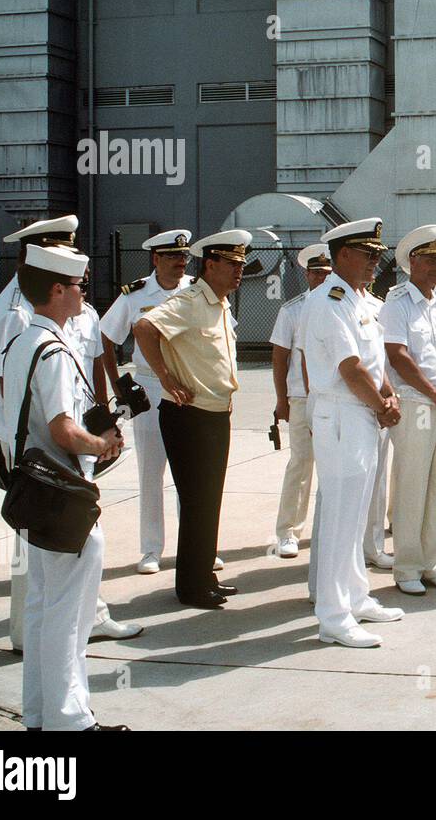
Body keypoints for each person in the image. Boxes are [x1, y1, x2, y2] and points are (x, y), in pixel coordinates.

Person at [0, 215, 140, 649]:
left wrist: (100, 427)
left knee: (63, 555)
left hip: (64, 446)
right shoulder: (15, 314)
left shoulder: (69, 312)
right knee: (40, 554)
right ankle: (29, 636)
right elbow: (14, 391)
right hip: (37, 450)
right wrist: (78, 442)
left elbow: (81, 379)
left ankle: (85, 617)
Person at [1, 244, 128, 730]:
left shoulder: (19, 342)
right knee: (69, 617)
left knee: (42, 608)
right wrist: (101, 444)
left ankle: (40, 713)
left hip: (35, 494)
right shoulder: (52, 350)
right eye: (79, 285)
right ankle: (71, 721)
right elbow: (62, 429)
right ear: (58, 289)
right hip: (65, 496)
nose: (83, 292)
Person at [301, 219, 406, 646]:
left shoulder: (361, 300)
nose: (375, 263)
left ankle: (356, 595)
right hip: (342, 415)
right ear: (343, 254)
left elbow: (374, 363)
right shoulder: (329, 300)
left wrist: (390, 396)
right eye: (368, 255)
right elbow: (349, 368)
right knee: (341, 517)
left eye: (378, 255)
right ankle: (332, 616)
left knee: (359, 514)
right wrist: (382, 406)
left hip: (363, 413)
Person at [133, 230, 250, 609]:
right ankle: (191, 587)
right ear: (211, 265)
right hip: (189, 416)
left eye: (242, 264)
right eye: (232, 264)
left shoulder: (219, 303)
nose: (239, 271)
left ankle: (203, 574)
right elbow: (144, 328)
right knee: (197, 500)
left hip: (215, 414)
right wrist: (165, 377)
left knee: (208, 500)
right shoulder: (189, 301)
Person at [100, 229, 195, 574]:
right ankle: (151, 549)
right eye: (173, 256)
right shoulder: (135, 294)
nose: (180, 262)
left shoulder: (196, 291)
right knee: (151, 472)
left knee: (192, 473)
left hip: (190, 388)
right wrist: (118, 386)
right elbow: (106, 337)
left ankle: (196, 547)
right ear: (156, 259)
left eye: (184, 256)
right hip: (152, 389)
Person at [382, 225, 436, 596]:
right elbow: (397, 357)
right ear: (411, 262)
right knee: (412, 486)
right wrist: (435, 394)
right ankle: (407, 568)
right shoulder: (397, 303)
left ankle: (433, 563)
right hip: (417, 403)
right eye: (430, 259)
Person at [267, 244, 332, 559]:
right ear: (307, 274)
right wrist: (282, 400)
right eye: (317, 272)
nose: (322, 278)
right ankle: (289, 531)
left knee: (336, 466)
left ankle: (330, 529)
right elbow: (280, 359)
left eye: (327, 273)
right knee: (301, 464)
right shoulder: (292, 310)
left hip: (335, 398)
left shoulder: (340, 305)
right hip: (301, 398)